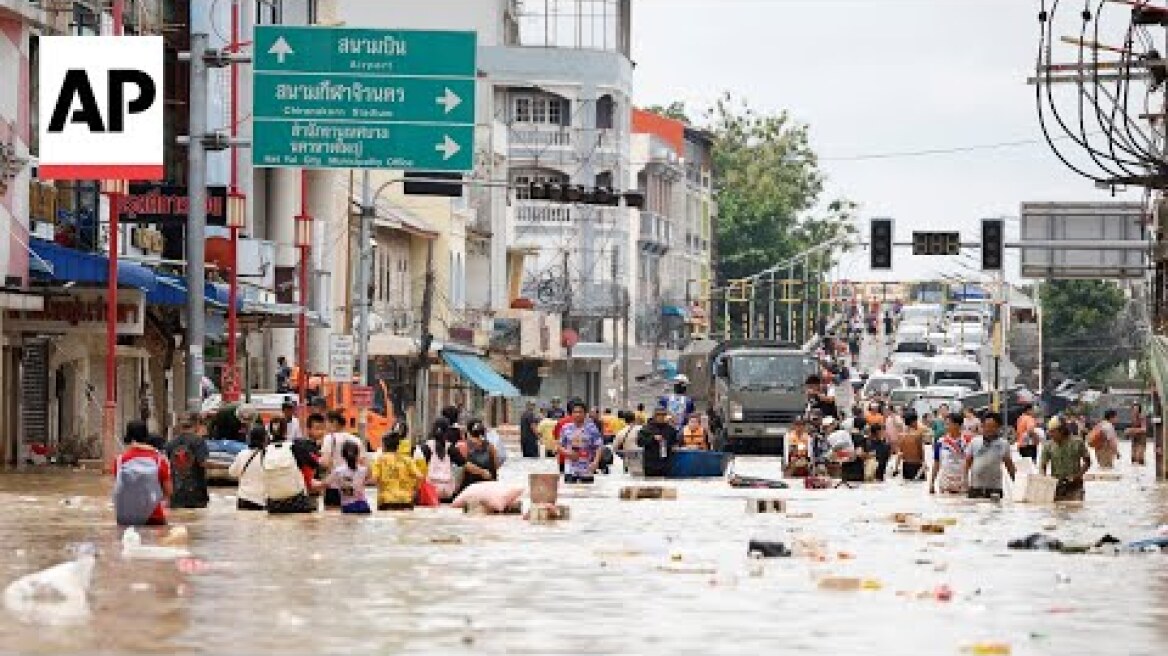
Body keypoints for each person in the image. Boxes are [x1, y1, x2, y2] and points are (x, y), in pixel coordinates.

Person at [113, 420, 173, 526]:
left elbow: (120, 489)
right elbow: (168, 492)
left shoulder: (119, 460)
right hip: (154, 516)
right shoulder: (160, 460)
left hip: (127, 517)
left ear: (128, 436)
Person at [165, 412, 223, 509]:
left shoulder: (170, 443)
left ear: (179, 425)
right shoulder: (198, 441)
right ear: (197, 425)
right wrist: (226, 466)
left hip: (176, 494)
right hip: (196, 493)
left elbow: (166, 467)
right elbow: (203, 463)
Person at [262, 418, 317, 514]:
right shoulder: (295, 447)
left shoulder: (265, 451)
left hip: (273, 505)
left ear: (270, 431)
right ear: (286, 431)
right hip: (297, 502)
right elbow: (314, 464)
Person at [371, 424, 422, 511]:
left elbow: (374, 478)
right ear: (398, 446)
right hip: (406, 500)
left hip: (386, 501)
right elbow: (419, 476)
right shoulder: (408, 460)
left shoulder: (379, 460)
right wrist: (414, 491)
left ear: (384, 445)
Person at [963, 416, 1016, 500]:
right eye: (986, 426)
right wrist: (964, 481)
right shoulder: (975, 441)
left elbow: (1009, 465)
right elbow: (967, 463)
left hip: (995, 489)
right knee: (974, 512)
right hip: (975, 488)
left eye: (993, 426)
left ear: (998, 428)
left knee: (995, 512)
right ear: (982, 427)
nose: (989, 429)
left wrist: (1017, 483)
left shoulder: (1004, 444)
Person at [1040, 418, 1092, 501]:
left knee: (1075, 509)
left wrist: (1077, 476)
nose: (1050, 434)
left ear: (1062, 431)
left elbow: (1088, 462)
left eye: (1053, 431)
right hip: (1057, 487)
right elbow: (1043, 466)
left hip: (1075, 487)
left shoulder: (1077, 442)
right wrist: (1044, 481)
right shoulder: (1048, 446)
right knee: (1057, 511)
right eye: (1050, 431)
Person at [321, 410, 363, 509]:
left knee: (333, 519)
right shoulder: (356, 439)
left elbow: (325, 463)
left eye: (326, 422)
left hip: (334, 487)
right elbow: (363, 464)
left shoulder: (329, 438)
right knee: (352, 520)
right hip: (353, 487)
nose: (325, 426)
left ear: (334, 423)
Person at [559, 400, 605, 483]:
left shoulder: (591, 428)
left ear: (585, 414)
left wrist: (596, 462)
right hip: (570, 470)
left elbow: (599, 446)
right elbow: (559, 447)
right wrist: (567, 453)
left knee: (586, 493)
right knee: (569, 493)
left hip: (587, 470)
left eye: (580, 412)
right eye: (575, 412)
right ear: (571, 414)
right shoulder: (565, 428)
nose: (577, 414)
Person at [416, 418, 459, 502]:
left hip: (430, 492)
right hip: (447, 492)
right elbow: (462, 464)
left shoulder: (425, 447)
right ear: (447, 431)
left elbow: (418, 469)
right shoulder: (451, 448)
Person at [228, 425, 269, 511]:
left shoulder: (242, 454)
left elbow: (232, 472)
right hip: (262, 500)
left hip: (244, 499)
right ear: (264, 439)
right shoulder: (268, 455)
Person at [325, 441, 371, 515]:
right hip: (364, 506)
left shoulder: (338, 471)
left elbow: (326, 483)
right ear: (358, 455)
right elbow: (369, 480)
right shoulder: (364, 470)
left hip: (348, 507)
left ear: (342, 455)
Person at [931, 413, 971, 495]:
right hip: (946, 483)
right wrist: (931, 483)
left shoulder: (968, 441)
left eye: (948, 424)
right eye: (945, 424)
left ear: (957, 425)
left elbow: (973, 462)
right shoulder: (940, 442)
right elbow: (936, 463)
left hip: (963, 482)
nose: (945, 426)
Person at [457, 419, 500, 494]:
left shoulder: (463, 446)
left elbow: (460, 470)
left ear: (468, 432)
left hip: (468, 488)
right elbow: (495, 467)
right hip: (488, 487)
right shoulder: (491, 447)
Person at [638, 403, 680, 477]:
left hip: (666, 464)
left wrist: (675, 445)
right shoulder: (646, 428)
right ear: (654, 416)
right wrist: (653, 438)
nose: (661, 417)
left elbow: (676, 442)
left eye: (663, 415)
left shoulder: (670, 429)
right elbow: (639, 442)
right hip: (651, 464)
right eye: (659, 415)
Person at [897, 411, 927, 482]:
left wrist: (896, 468)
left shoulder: (901, 435)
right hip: (917, 465)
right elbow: (921, 451)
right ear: (913, 422)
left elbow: (900, 453)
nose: (917, 423)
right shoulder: (917, 435)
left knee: (907, 488)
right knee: (918, 488)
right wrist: (924, 463)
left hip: (905, 465)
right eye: (916, 421)